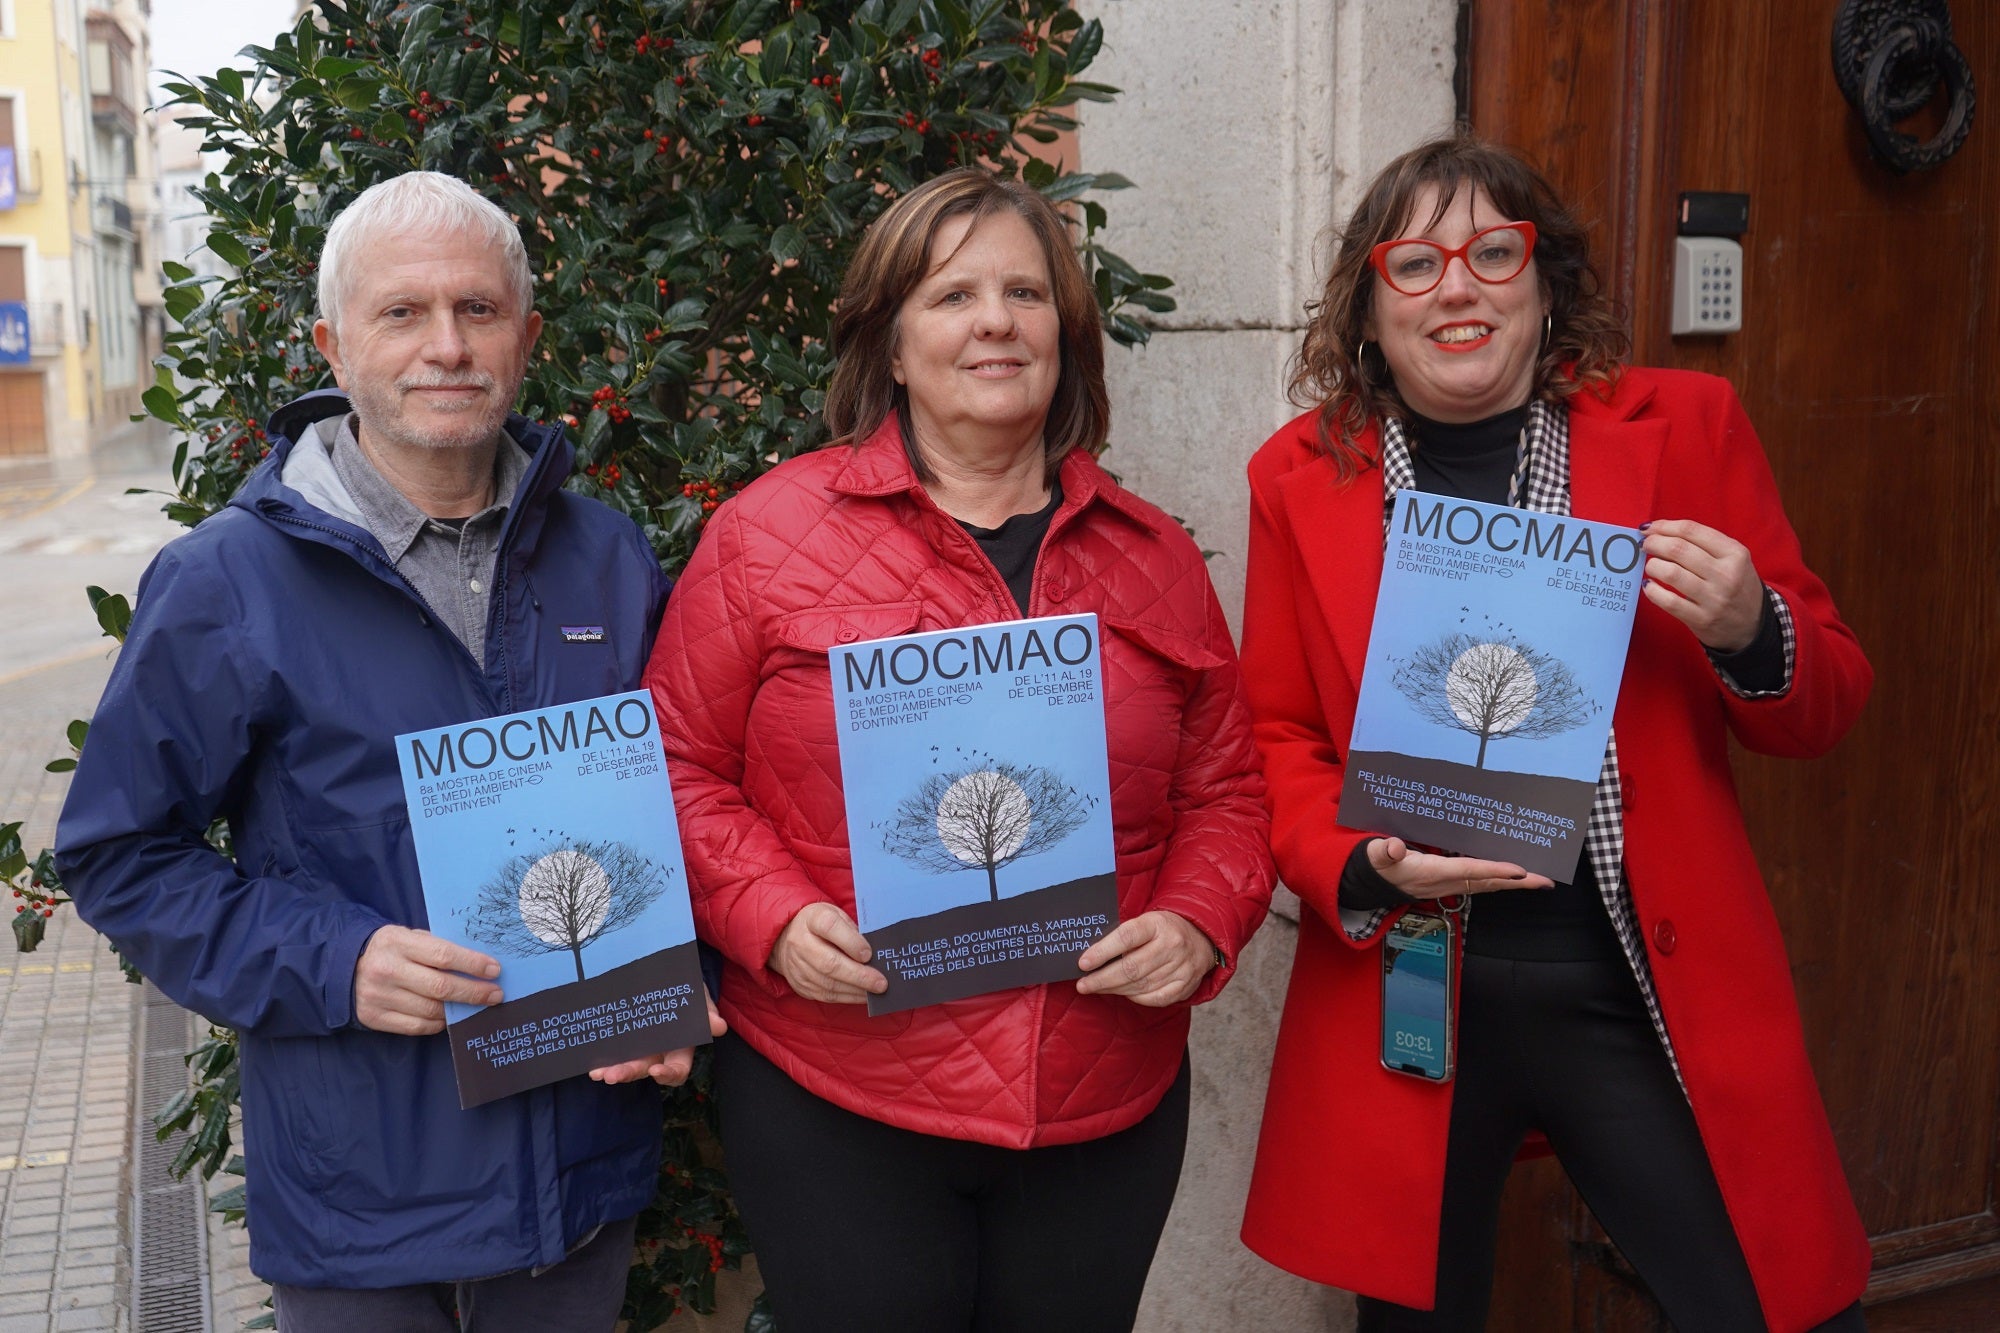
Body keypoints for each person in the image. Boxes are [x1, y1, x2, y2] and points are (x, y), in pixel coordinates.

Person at [55, 171, 717, 1332]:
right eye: (402, 313)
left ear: (527, 335)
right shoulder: (229, 579)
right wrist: (334, 959)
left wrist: (677, 985)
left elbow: (684, 804)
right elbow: (119, 852)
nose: (446, 346)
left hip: (579, 1178)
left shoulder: (606, 560)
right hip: (362, 1195)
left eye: (478, 309)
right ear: (335, 344)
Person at [1237, 132, 1872, 1332]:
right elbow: (1272, 734)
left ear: (1543, 283)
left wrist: (1751, 627)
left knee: (1769, 1307)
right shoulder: (1296, 476)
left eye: (1492, 250)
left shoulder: (1683, 428)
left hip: (1625, 976)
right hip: (1414, 976)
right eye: (1413, 264)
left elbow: (1827, 697)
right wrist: (1360, 862)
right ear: (1367, 313)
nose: (1458, 285)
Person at [646, 168, 1275, 1332]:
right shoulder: (767, 536)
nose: (995, 320)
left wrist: (1198, 919)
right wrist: (771, 916)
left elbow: (1228, 787)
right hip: (844, 1091)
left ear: (1064, 336)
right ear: (888, 344)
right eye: (952, 295)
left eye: (1026, 293)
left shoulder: (1153, 558)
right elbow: (673, 764)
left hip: (1102, 1100)